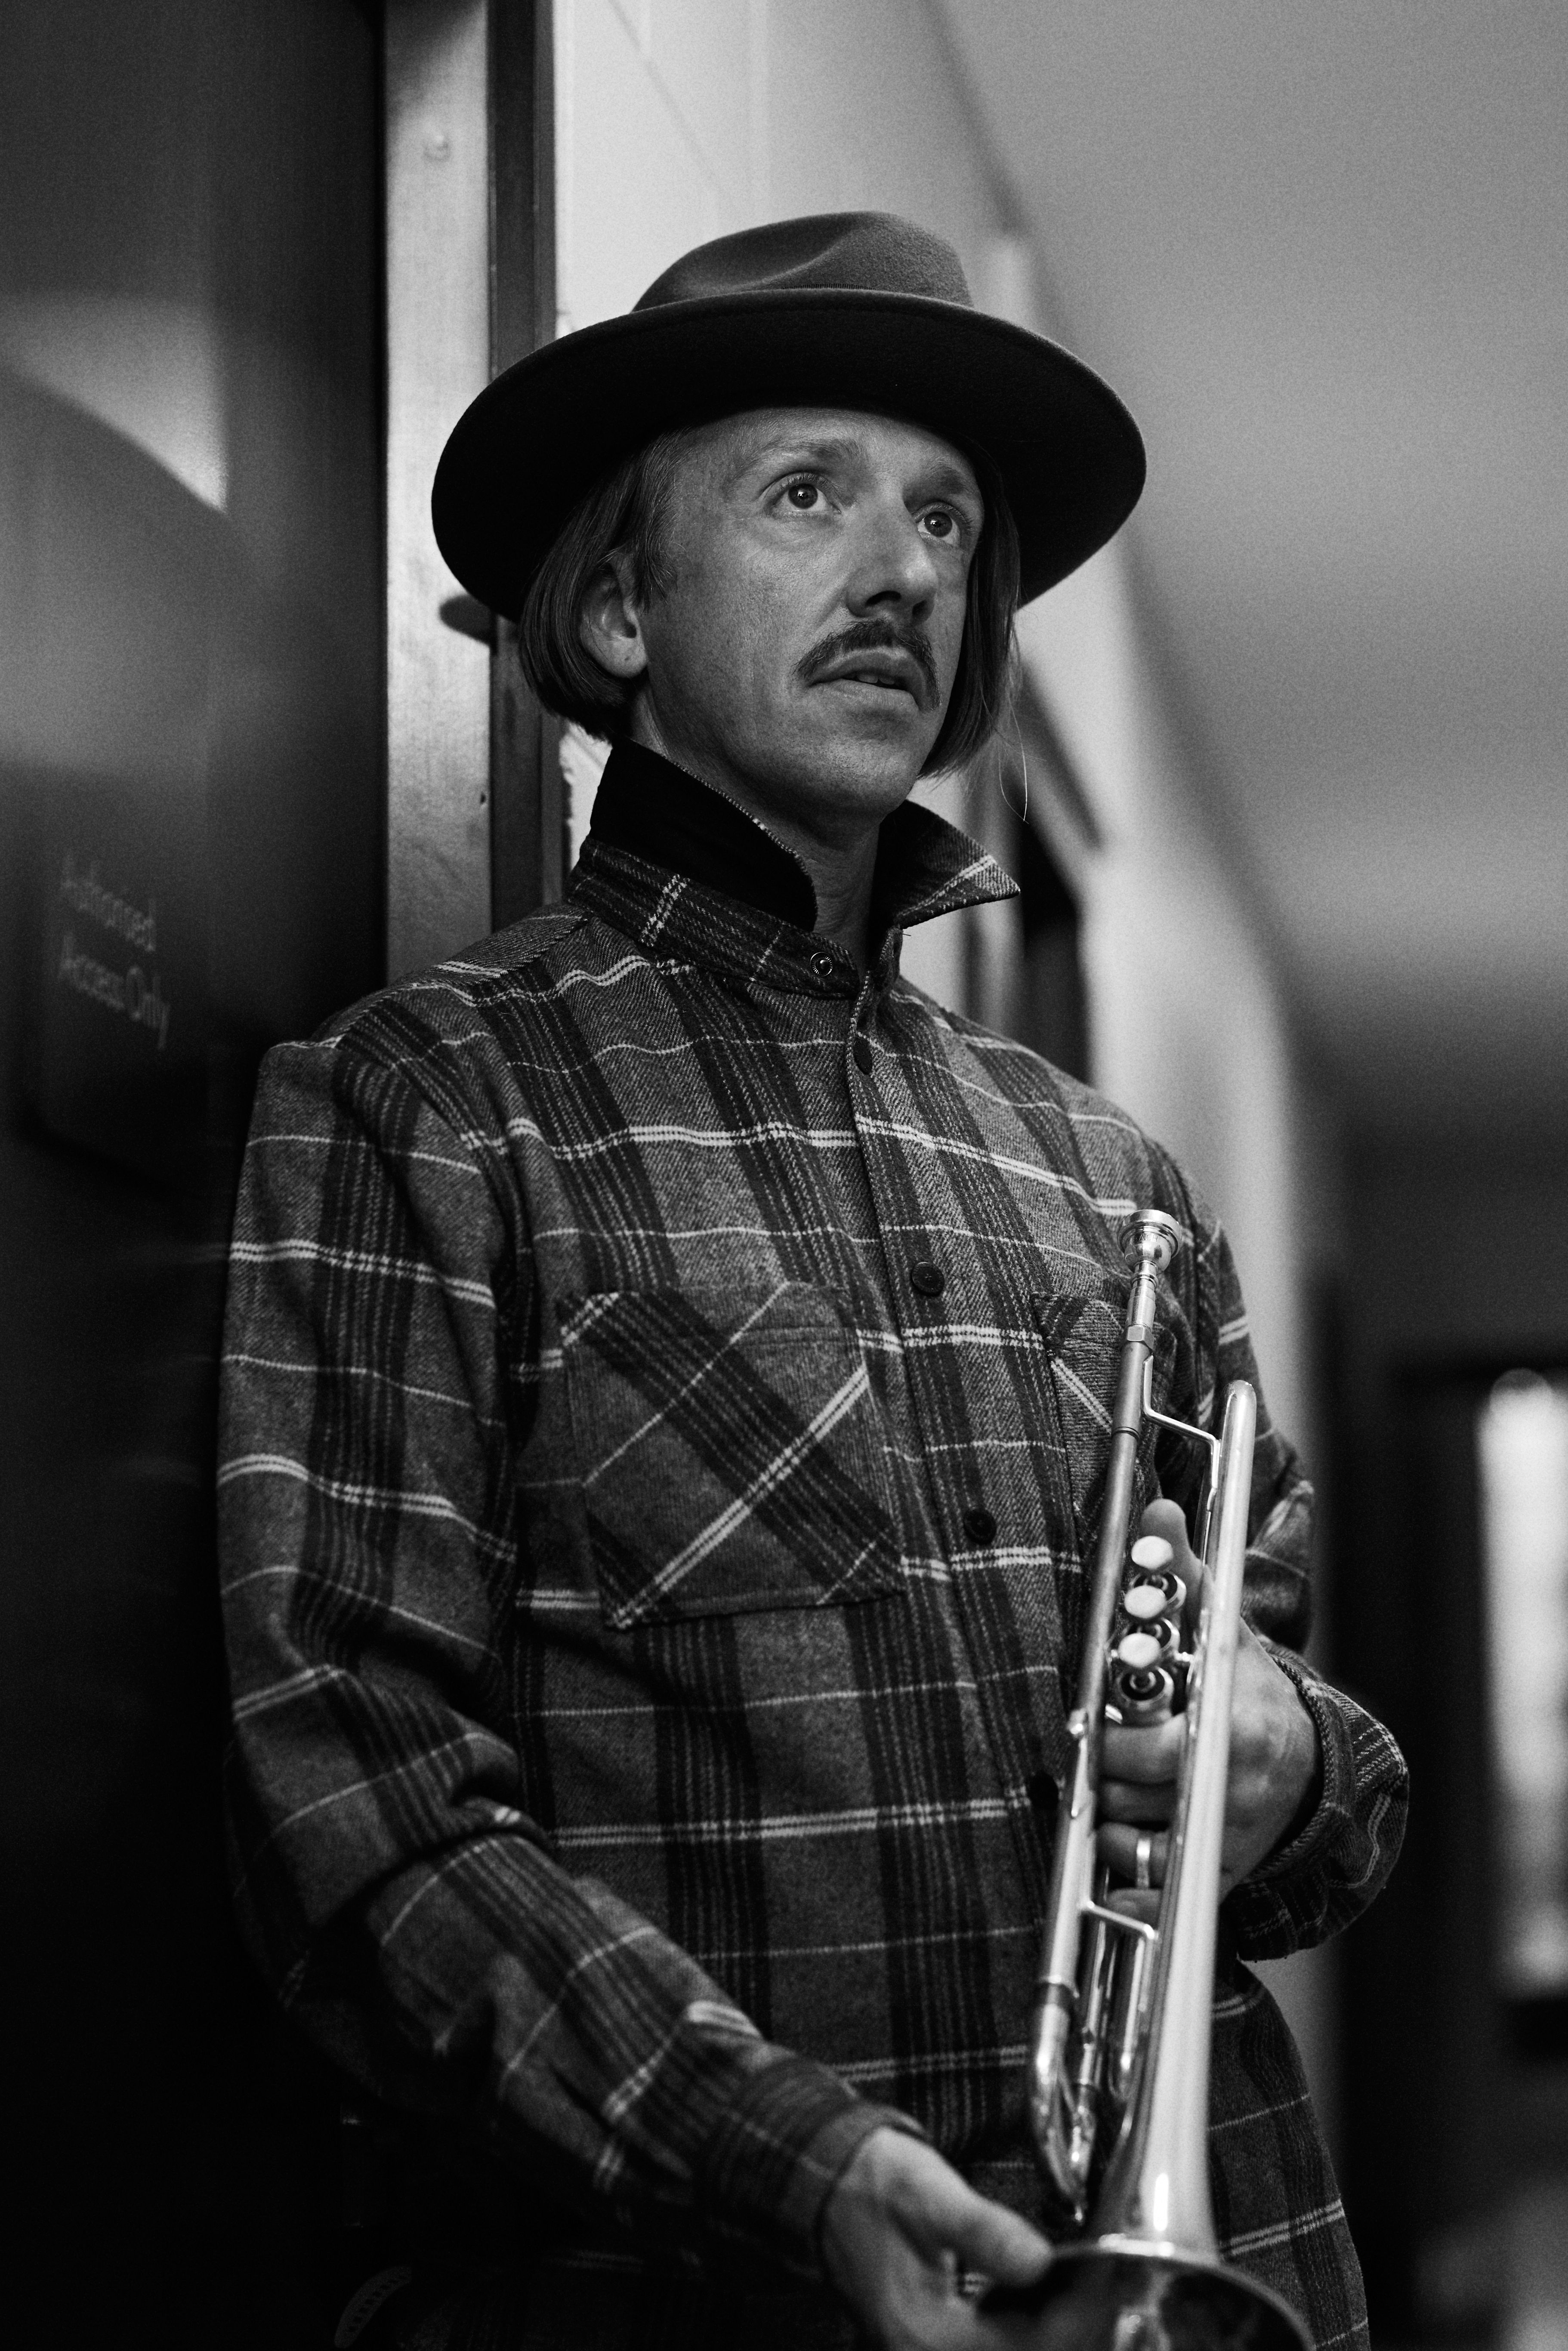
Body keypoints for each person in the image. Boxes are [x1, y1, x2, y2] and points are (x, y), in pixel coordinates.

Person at [219, 213, 1407, 2351]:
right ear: (615, 606)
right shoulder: (432, 1101)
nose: (906, 574)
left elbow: (1308, 1772)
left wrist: (1290, 1765)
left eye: (944, 519)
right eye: (804, 495)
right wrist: (790, 2162)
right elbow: (352, 1813)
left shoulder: (1106, 1175)